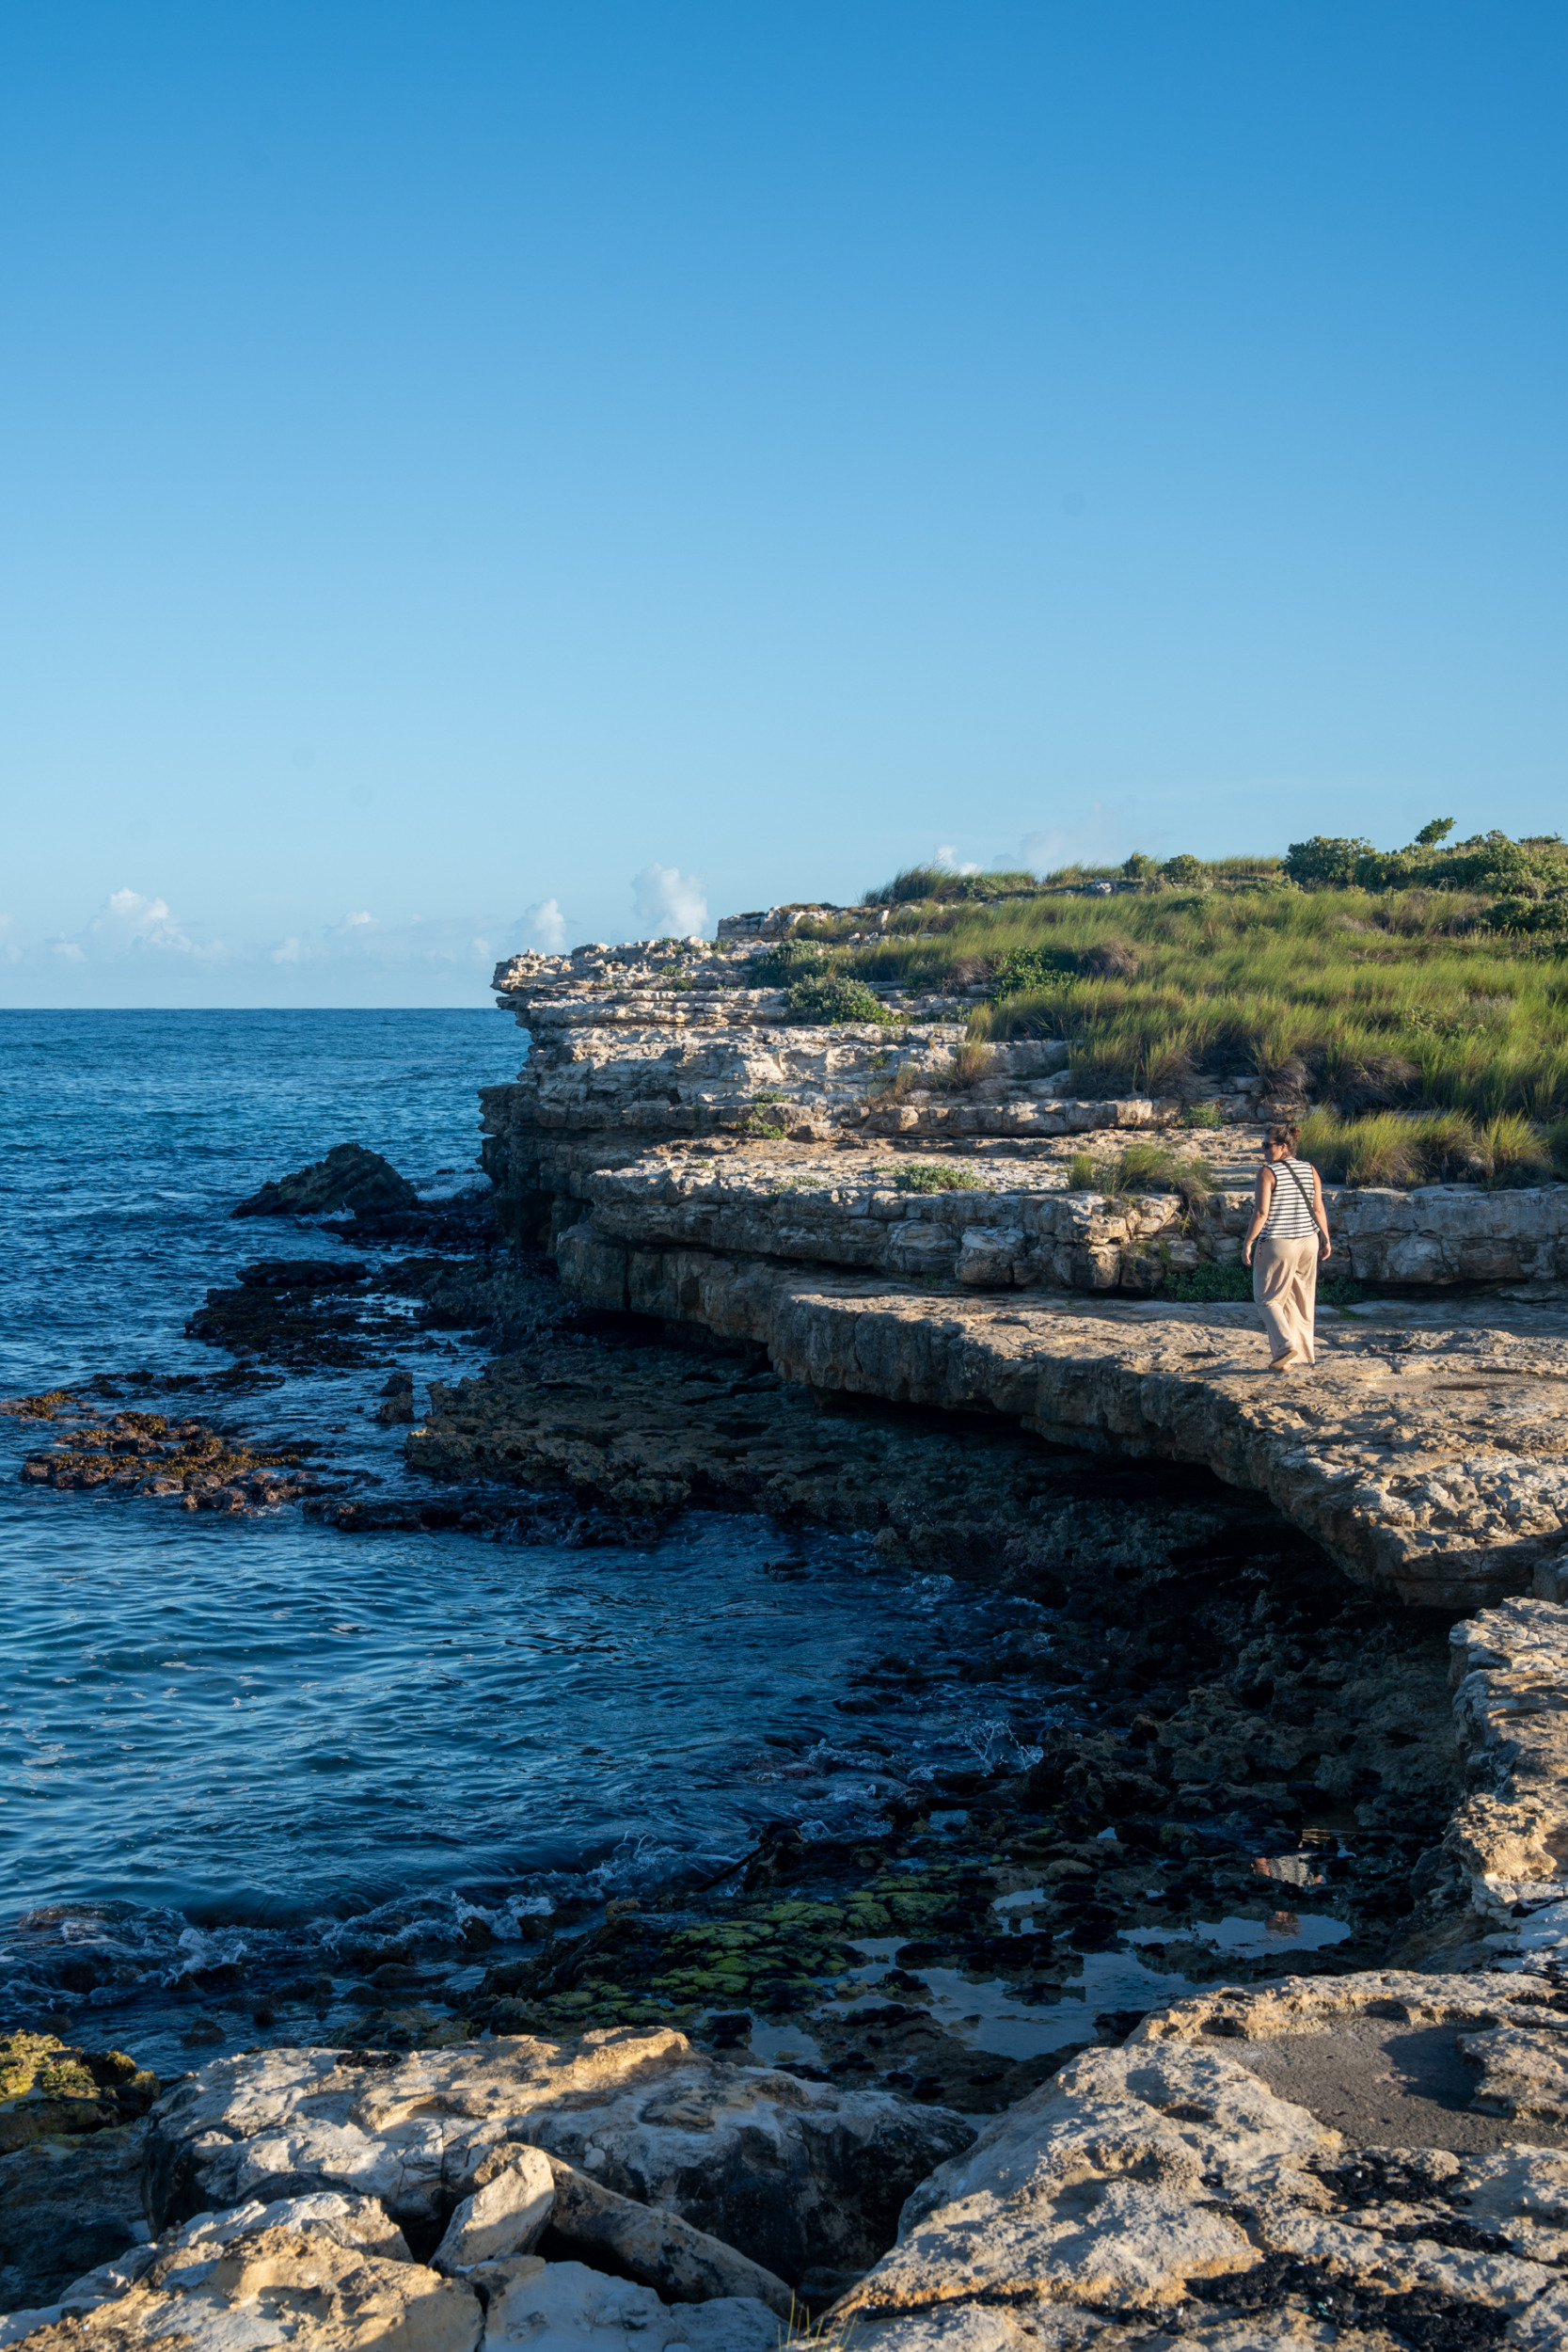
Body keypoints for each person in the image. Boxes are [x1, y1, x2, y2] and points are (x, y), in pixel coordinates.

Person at [1242, 1121, 1331, 1371]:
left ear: (1283, 1146)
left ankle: (1285, 1346)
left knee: (1267, 1299)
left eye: (1267, 1145)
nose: (1263, 1150)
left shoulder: (1267, 1172)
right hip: (1309, 1243)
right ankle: (1291, 1359)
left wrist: (1248, 1242)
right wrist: (1326, 1239)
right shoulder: (1309, 1168)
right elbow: (1318, 1208)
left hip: (1280, 1243)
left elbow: (1261, 1213)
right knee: (1299, 1301)